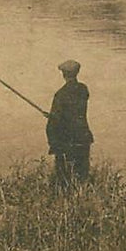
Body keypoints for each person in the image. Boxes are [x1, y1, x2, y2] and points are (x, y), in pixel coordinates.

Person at [46, 59, 94, 189]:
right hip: (83, 138)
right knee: (82, 175)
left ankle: (67, 202)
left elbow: (52, 124)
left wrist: (53, 143)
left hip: (67, 141)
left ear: (63, 74)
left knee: (64, 178)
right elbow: (73, 111)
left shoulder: (60, 94)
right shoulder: (83, 89)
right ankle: (82, 198)